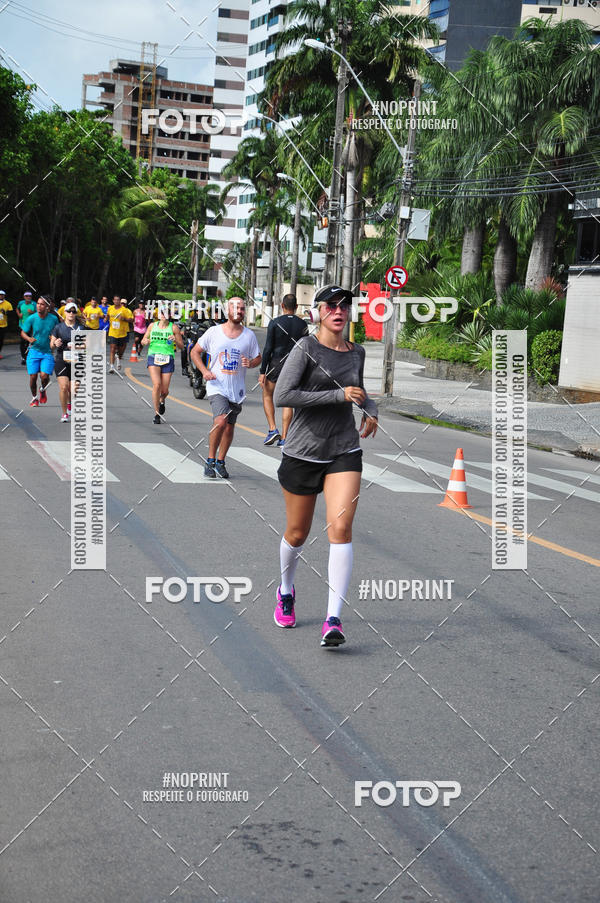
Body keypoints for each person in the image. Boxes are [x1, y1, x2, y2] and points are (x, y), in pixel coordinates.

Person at [272, 284, 378, 648]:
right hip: (302, 452)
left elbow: (359, 390)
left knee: (341, 528)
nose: (339, 310)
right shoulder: (306, 348)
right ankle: (286, 590)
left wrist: (371, 410)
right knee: (297, 534)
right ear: (317, 311)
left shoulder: (357, 353)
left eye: (344, 305)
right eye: (331, 305)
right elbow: (282, 395)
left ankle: (333, 618)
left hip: (343, 451)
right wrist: (336, 395)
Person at [190, 297, 261, 479]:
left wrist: (251, 363)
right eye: (235, 307)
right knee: (220, 421)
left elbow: (257, 358)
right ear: (227, 310)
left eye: (242, 308)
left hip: (236, 390)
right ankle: (210, 460)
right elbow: (194, 352)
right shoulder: (214, 332)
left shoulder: (249, 336)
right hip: (216, 386)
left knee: (229, 428)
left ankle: (221, 461)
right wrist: (205, 371)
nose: (239, 311)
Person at [259, 293, 308, 447]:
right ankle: (285, 438)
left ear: (282, 306)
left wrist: (262, 371)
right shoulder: (303, 325)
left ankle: (273, 429)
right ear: (296, 307)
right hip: (295, 364)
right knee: (288, 401)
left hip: (276, 363)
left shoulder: (275, 322)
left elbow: (267, 349)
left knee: (267, 395)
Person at [141, 309, 184, 424]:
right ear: (159, 315)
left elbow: (181, 346)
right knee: (157, 385)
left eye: (166, 313)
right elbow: (143, 340)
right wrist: (146, 341)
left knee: (164, 391)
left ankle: (162, 400)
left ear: (169, 315)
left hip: (168, 358)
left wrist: (176, 340)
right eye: (162, 313)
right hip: (153, 357)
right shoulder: (152, 326)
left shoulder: (174, 328)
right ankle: (156, 414)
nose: (163, 316)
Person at [21, 296, 59, 406]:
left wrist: (53, 338)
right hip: (34, 350)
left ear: (47, 307)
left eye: (42, 304)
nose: (38, 306)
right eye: (38, 303)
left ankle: (42, 389)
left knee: (44, 376)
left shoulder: (53, 319)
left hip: (47, 352)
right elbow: (23, 332)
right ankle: (34, 398)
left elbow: (57, 332)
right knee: (33, 377)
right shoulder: (32, 318)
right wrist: (29, 339)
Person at [50, 300, 85, 422]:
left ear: (76, 313)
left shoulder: (81, 328)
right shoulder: (58, 327)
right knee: (64, 387)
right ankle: (64, 413)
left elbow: (88, 344)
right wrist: (55, 343)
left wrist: (77, 346)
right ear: (64, 312)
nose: (71, 313)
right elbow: (51, 345)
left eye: (73, 311)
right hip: (61, 360)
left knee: (73, 390)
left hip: (77, 361)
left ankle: (70, 404)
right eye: (69, 311)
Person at [107, 295, 133, 373]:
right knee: (112, 349)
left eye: (118, 300)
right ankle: (111, 367)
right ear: (113, 301)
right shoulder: (110, 308)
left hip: (122, 333)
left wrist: (124, 319)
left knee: (121, 351)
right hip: (112, 332)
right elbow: (108, 315)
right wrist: (105, 318)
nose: (117, 301)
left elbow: (131, 320)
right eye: (115, 300)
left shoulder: (125, 310)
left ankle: (118, 356)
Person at [16, 291, 36, 364]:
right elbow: (17, 308)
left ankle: (27, 356)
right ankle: (23, 357)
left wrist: (32, 312)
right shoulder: (21, 303)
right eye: (27, 296)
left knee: (29, 342)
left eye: (30, 296)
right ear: (24, 297)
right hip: (22, 325)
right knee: (22, 342)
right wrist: (19, 314)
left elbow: (38, 313)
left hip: (31, 326)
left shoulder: (34, 304)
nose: (28, 297)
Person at [0, 290, 13, 359]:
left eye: (2, 295)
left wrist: (5, 312)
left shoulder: (8, 304)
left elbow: (11, 313)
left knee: (1, 340)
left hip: (3, 325)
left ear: (4, 296)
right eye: (0, 295)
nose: (1, 296)